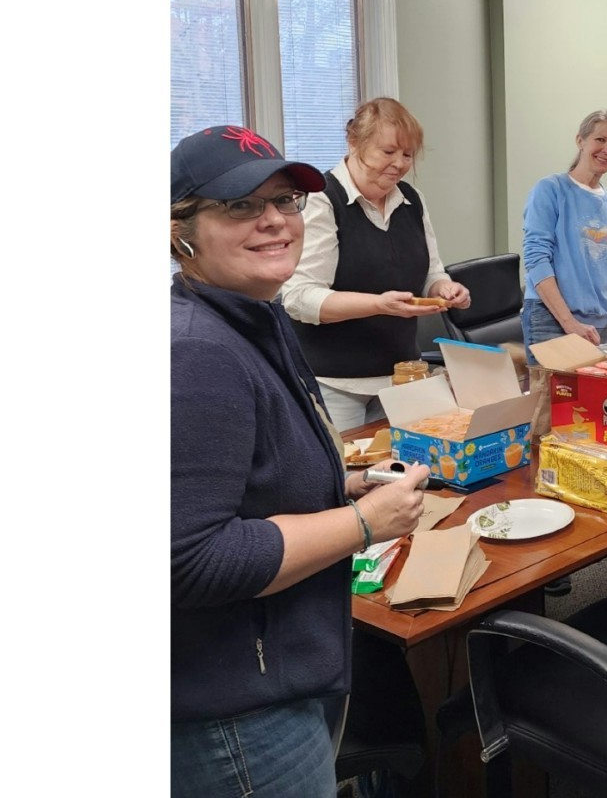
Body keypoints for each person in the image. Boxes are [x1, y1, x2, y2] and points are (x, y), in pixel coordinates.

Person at [171, 125, 428, 796]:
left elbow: (251, 478)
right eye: (240, 206)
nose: (275, 222)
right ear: (180, 231)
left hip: (289, 659)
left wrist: (350, 480)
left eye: (285, 201)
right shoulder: (197, 350)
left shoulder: (257, 313)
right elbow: (192, 557)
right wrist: (367, 521)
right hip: (238, 709)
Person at [282, 98, 471, 432]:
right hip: (336, 383)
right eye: (388, 152)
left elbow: (430, 272)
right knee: (347, 478)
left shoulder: (412, 200)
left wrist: (444, 288)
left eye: (408, 154)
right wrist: (378, 305)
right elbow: (299, 298)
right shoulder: (323, 200)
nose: (399, 164)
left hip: (401, 376)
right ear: (354, 142)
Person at [521, 109, 607, 364]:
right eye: (600, 139)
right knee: (550, 401)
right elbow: (537, 260)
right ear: (580, 141)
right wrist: (568, 322)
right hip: (551, 319)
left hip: (600, 322)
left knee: (592, 401)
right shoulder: (550, 190)